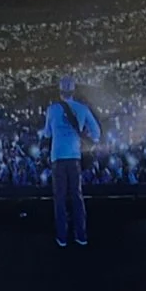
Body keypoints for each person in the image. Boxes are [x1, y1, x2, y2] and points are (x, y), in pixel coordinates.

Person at [43, 75, 100, 246]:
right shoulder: (83, 109)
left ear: (60, 92)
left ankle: (62, 237)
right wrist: (88, 141)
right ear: (73, 91)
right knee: (77, 196)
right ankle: (81, 236)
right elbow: (96, 133)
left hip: (58, 158)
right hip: (74, 157)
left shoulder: (52, 109)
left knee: (60, 198)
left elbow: (47, 134)